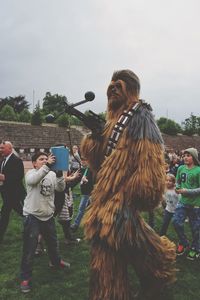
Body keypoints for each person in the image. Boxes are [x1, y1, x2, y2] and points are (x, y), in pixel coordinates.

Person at [80, 69, 176, 300]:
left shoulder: (140, 117)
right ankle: (112, 291)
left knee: (116, 233)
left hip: (124, 195)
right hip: (106, 193)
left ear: (131, 90)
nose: (112, 87)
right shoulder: (112, 120)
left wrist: (136, 191)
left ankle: (155, 263)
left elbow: (150, 158)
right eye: (111, 84)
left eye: (118, 85)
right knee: (105, 249)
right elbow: (98, 162)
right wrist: (95, 136)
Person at [20, 151, 70, 293]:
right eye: (41, 159)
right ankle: (25, 277)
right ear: (34, 163)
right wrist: (47, 165)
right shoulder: (30, 174)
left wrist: (59, 174)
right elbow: (32, 181)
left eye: (45, 158)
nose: (44, 160)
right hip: (32, 216)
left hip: (48, 216)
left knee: (53, 244)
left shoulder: (52, 174)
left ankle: (55, 262)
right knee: (30, 249)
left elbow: (61, 188)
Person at [173, 147, 200, 260]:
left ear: (193, 157)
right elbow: (178, 181)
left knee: (196, 228)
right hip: (182, 202)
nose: (185, 157)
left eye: (188, 155)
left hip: (195, 205)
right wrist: (177, 188)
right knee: (176, 222)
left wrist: (186, 191)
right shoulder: (181, 168)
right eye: (184, 155)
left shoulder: (198, 170)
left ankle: (196, 247)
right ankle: (184, 242)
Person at [0, 141, 26, 243]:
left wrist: (4, 177)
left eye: (2, 148)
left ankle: (34, 229)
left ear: (10, 149)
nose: (0, 150)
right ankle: (33, 228)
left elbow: (19, 176)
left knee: (5, 214)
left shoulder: (16, 160)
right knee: (22, 212)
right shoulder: (3, 160)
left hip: (15, 194)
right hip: (7, 193)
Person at [71, 157, 93, 232]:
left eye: (85, 160)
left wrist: (87, 181)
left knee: (82, 209)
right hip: (85, 193)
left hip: (91, 194)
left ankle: (76, 225)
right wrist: (69, 186)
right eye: (82, 159)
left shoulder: (92, 171)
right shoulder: (82, 170)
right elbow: (75, 181)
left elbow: (95, 182)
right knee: (84, 210)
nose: (82, 161)